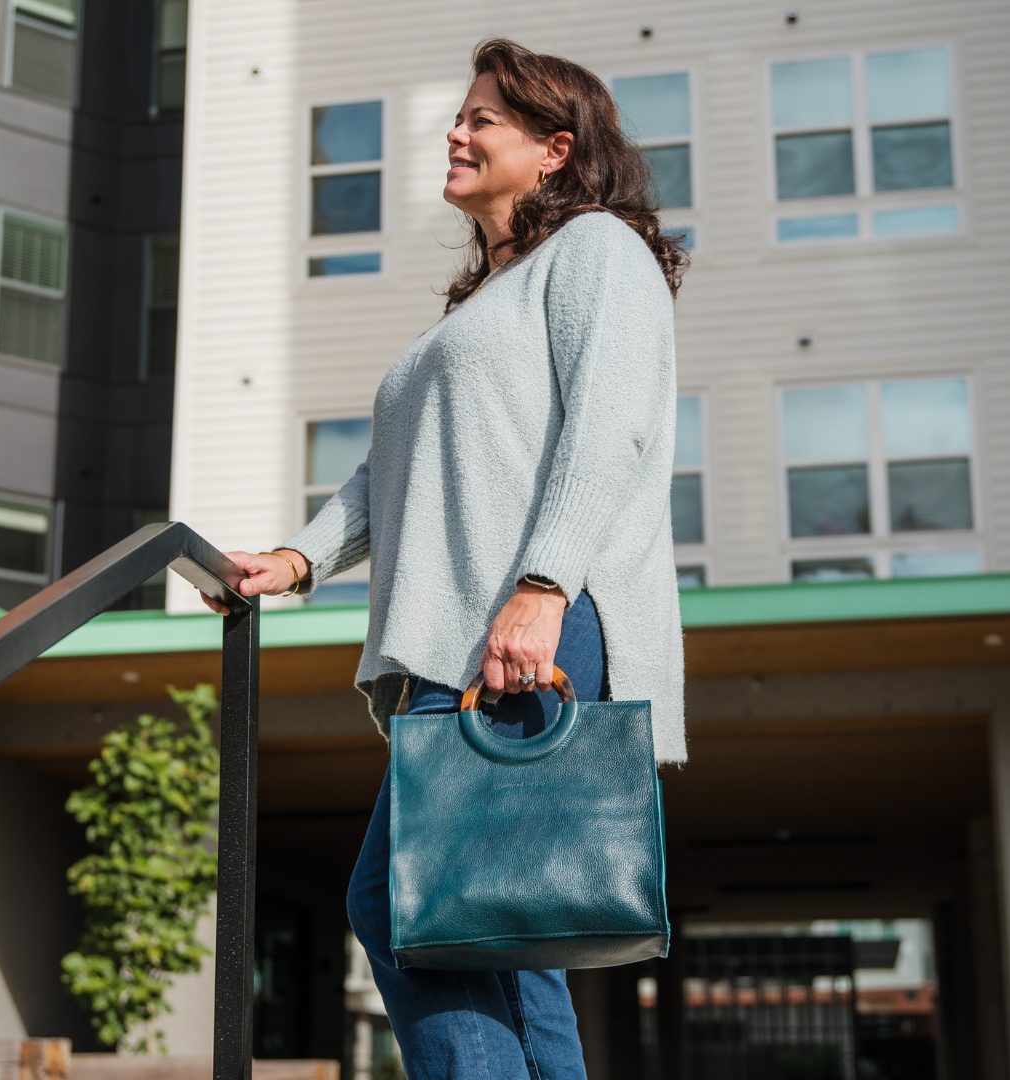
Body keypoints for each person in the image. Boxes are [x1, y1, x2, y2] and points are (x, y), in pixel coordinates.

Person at [201, 37, 687, 1080]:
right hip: (464, 628)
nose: (456, 133)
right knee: (500, 930)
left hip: (528, 622)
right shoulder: (483, 299)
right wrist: (295, 561)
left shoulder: (597, 251)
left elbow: (610, 432)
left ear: (555, 150)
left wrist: (543, 586)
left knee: (405, 903)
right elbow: (392, 476)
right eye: (459, 115)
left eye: (482, 120)